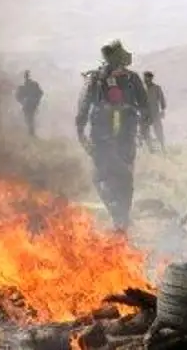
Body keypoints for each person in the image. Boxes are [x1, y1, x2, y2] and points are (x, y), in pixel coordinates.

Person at [76, 40, 150, 234]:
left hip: (114, 137)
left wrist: (81, 133)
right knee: (112, 178)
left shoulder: (126, 79)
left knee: (112, 177)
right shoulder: (100, 79)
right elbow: (145, 108)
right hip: (110, 137)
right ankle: (120, 217)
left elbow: (82, 111)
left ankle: (120, 218)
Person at [142, 71, 167, 154]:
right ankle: (150, 148)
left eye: (147, 77)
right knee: (145, 131)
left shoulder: (156, 88)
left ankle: (163, 147)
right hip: (145, 113)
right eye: (145, 77)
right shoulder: (142, 88)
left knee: (158, 130)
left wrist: (163, 110)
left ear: (151, 78)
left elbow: (162, 99)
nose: (146, 79)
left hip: (155, 112)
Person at [15, 70, 44, 137]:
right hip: (28, 105)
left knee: (30, 118)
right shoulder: (24, 86)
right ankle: (31, 131)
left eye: (27, 76)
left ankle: (31, 132)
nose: (27, 78)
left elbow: (40, 93)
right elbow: (18, 96)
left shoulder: (32, 85)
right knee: (29, 118)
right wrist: (22, 101)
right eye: (26, 76)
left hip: (31, 104)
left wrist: (36, 100)